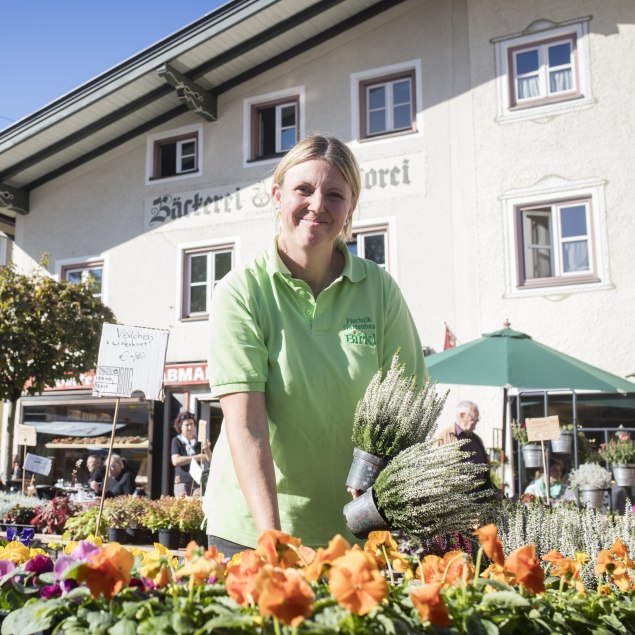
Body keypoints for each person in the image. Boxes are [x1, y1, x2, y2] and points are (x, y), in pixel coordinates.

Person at [202, 134, 427, 556]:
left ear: (350, 209)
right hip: (252, 530)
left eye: (335, 194)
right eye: (303, 189)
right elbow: (246, 425)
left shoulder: (378, 289)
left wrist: (401, 515)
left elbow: (408, 408)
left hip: (356, 532)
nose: (318, 204)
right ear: (277, 196)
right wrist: (274, 543)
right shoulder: (243, 291)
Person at [436, 400, 496, 498]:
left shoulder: (476, 439)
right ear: (462, 415)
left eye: (477, 418)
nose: (476, 421)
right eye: (474, 418)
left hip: (480, 497)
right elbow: (437, 470)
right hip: (458, 500)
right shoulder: (445, 437)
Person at [171, 411, 212, 497]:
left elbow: (210, 461)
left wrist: (207, 449)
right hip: (182, 481)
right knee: (183, 507)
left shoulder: (199, 441)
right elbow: (176, 461)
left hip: (197, 481)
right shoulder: (177, 441)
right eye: (186, 425)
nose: (190, 427)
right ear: (180, 427)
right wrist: (197, 457)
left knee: (197, 506)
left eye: (192, 424)